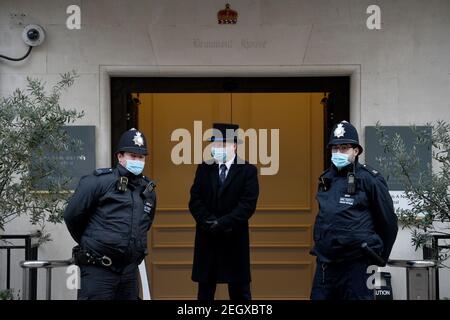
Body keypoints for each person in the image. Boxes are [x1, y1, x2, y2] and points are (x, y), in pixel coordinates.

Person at [64, 128, 156, 300]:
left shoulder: (147, 190)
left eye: (141, 157)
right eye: (132, 156)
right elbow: (72, 216)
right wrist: (92, 242)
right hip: (98, 270)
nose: (137, 160)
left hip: (128, 273)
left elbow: (146, 223)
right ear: (120, 157)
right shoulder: (99, 182)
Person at [310, 120, 398, 300]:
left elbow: (388, 223)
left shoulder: (370, 179)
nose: (338, 152)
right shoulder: (326, 179)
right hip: (326, 264)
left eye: (344, 148)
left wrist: (377, 256)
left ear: (356, 151)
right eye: (335, 148)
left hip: (357, 265)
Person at [189, 123, 259, 300]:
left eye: (222, 144)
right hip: (207, 238)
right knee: (205, 294)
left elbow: (247, 205)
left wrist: (223, 223)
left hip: (234, 240)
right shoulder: (204, 168)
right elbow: (195, 200)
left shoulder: (248, 170)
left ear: (234, 146)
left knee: (240, 294)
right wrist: (209, 222)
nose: (217, 148)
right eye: (215, 144)